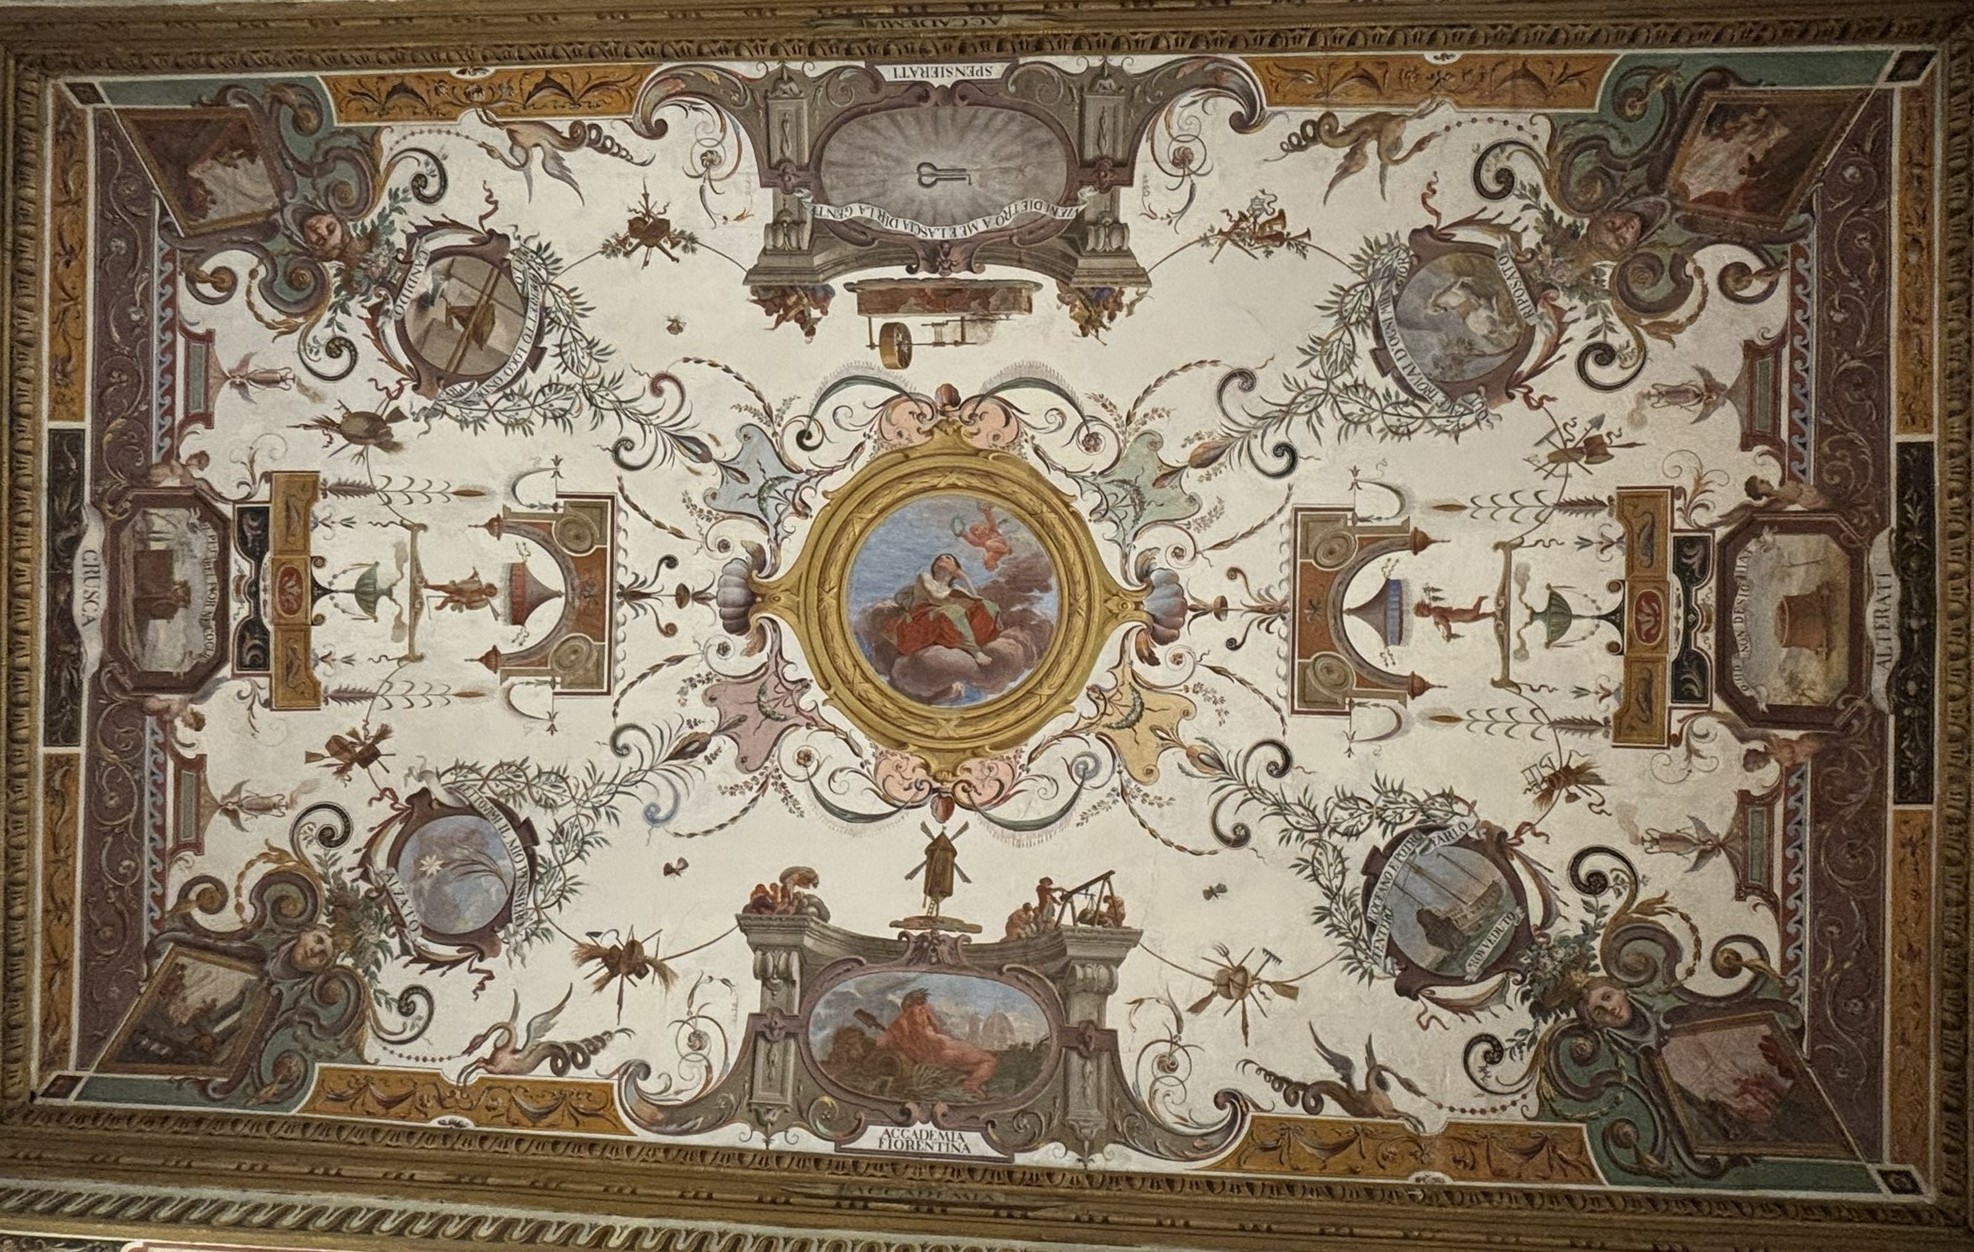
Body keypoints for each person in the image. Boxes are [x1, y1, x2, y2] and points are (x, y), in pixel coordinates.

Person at [877, 988, 997, 1097]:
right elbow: (937, 1026)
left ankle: (966, 1081)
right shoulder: (923, 1010)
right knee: (989, 1060)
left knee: (969, 1063)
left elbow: (881, 1043)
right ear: (920, 1001)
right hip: (942, 1050)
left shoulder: (896, 1024)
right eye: (923, 1001)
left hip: (925, 1058)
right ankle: (971, 1084)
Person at [887, 554, 1001, 659]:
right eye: (940, 558)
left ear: (956, 570)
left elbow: (976, 601)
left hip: (948, 621)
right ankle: (975, 651)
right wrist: (910, 604)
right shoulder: (925, 578)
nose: (943, 558)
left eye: (948, 558)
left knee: (987, 606)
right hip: (922, 620)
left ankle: (973, 640)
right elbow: (935, 598)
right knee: (954, 610)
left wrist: (966, 579)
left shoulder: (955, 589)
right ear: (934, 566)